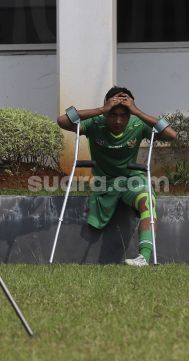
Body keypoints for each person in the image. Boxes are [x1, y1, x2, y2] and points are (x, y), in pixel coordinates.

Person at [57, 86, 177, 267]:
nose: (118, 120)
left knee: (147, 200)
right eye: (113, 114)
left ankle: (143, 257)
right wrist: (101, 109)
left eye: (124, 115)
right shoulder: (95, 122)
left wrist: (137, 111)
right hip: (104, 183)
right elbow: (62, 121)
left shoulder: (138, 123)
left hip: (131, 179)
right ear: (106, 111)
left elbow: (171, 135)